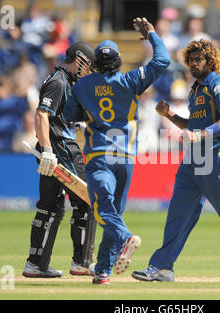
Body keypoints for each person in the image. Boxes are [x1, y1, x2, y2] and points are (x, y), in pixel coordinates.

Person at [132, 39, 220, 283]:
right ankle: (162, 267)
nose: (194, 64)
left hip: (214, 157)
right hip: (193, 160)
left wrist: (200, 135)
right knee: (178, 214)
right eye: (191, 60)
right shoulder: (196, 89)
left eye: (199, 59)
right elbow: (194, 125)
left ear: (210, 61)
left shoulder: (218, 86)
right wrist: (169, 115)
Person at [63, 17, 170, 285]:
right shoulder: (131, 80)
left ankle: (126, 238)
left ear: (95, 61)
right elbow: (162, 61)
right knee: (113, 212)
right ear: (118, 60)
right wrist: (152, 35)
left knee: (102, 209)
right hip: (125, 159)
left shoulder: (81, 86)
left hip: (99, 156)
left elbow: (69, 116)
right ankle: (102, 271)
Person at [22, 41, 97, 278]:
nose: (89, 71)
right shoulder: (58, 81)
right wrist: (46, 149)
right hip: (61, 148)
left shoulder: (64, 81)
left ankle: (36, 264)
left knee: (50, 207)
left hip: (54, 149)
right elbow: (41, 115)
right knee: (88, 200)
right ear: (80, 59)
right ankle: (82, 262)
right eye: (88, 66)